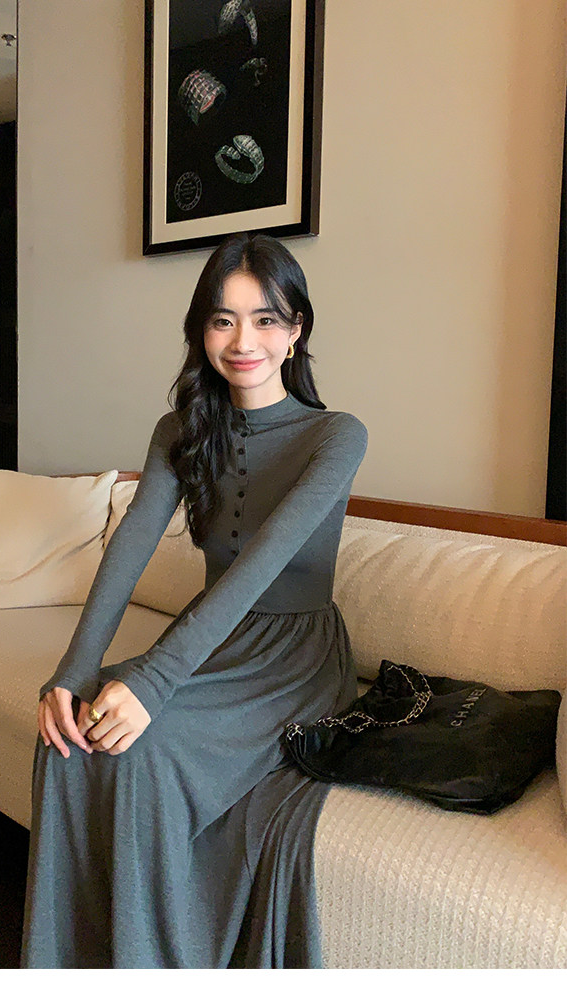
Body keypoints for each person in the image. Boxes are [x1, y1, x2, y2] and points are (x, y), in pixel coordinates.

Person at [20, 232, 368, 969]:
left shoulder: (337, 436)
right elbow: (130, 547)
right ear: (201, 331)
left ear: (296, 330)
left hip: (292, 657)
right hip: (210, 641)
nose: (243, 341)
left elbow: (262, 565)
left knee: (142, 748)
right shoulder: (179, 431)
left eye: (265, 319)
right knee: (68, 737)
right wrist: (72, 671)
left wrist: (152, 680)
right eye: (222, 320)